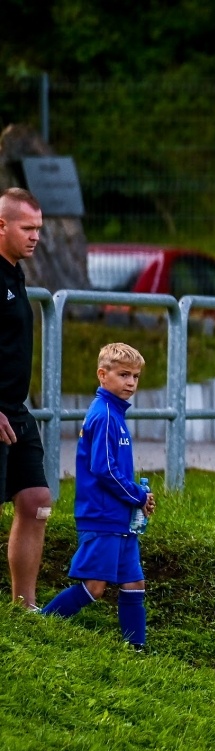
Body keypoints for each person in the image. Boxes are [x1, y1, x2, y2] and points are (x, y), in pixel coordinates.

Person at [40, 343, 155, 645]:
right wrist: (138, 496)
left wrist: (138, 497)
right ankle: (41, 627)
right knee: (94, 586)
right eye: (123, 374)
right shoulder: (104, 414)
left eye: (136, 376)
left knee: (134, 583)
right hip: (102, 518)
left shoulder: (115, 413)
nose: (131, 382)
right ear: (102, 375)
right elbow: (104, 470)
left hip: (120, 520)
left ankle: (137, 650)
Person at [0, 188, 50, 608]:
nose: (36, 236)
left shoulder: (15, 271)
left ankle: (25, 605)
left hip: (15, 410)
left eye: (39, 228)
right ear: (1, 226)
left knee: (36, 501)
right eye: (27, 227)